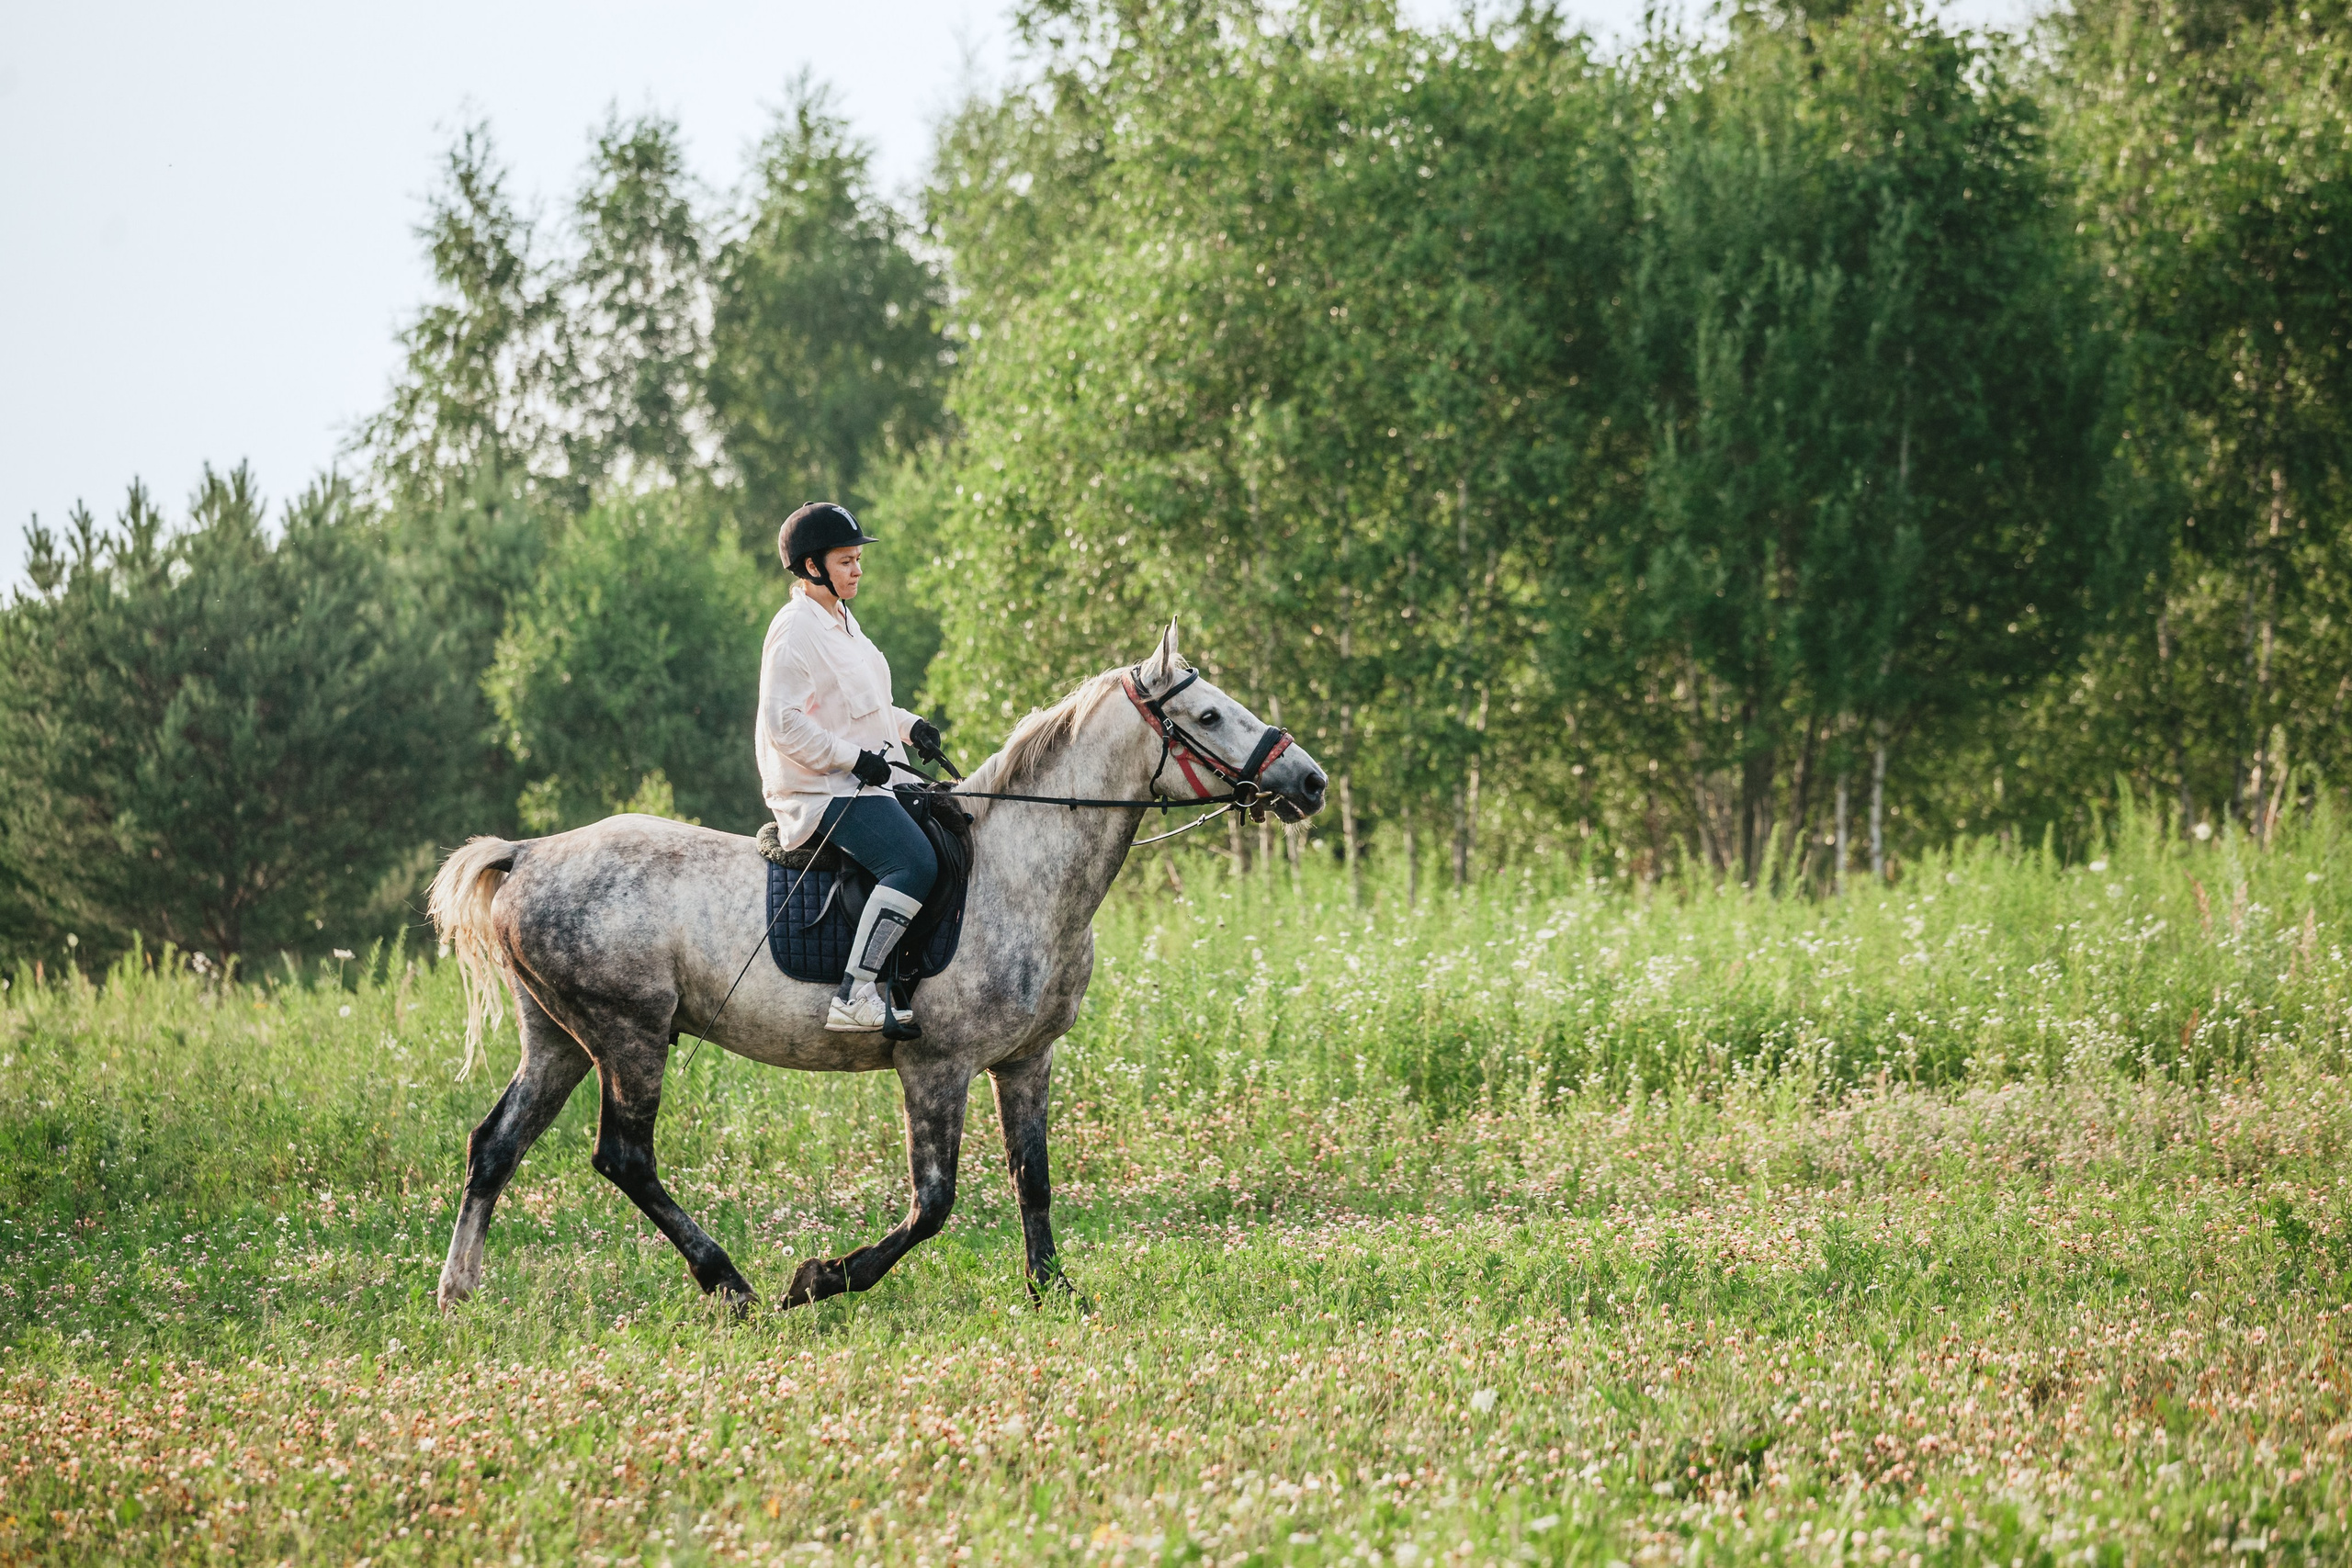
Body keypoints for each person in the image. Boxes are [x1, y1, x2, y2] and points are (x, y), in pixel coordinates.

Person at [755, 502, 944, 1040]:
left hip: (869, 778)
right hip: (820, 786)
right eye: (846, 561)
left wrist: (910, 727)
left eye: (858, 559)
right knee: (913, 863)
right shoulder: (795, 630)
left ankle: (909, 977)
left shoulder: (841, 620)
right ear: (813, 567)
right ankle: (854, 993)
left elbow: (862, 703)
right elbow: (783, 724)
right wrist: (851, 758)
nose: (858, 570)